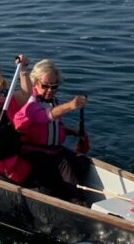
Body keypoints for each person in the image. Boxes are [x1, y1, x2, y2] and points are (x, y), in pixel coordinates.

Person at [14, 59, 89, 204]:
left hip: (53, 151)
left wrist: (72, 132)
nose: (50, 90)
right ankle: (76, 202)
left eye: (54, 86)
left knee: (83, 162)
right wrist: (71, 105)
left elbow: (51, 126)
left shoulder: (51, 101)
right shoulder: (30, 102)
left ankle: (68, 191)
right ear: (35, 83)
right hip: (34, 154)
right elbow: (43, 117)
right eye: (45, 86)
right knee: (66, 168)